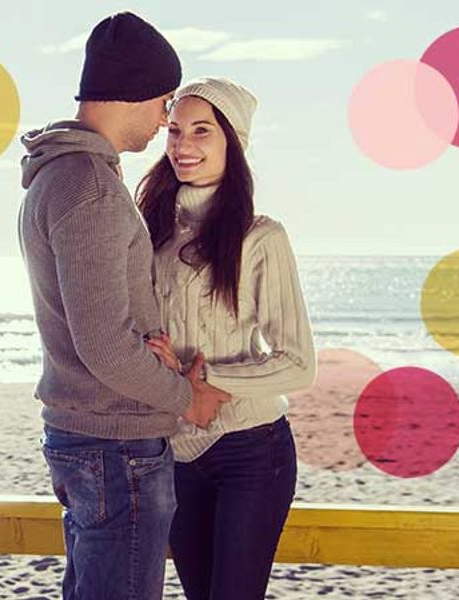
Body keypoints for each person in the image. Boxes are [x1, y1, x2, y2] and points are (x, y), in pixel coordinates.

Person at [18, 13, 232, 599]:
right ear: (136, 93)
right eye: (164, 102)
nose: (165, 120)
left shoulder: (61, 175)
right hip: (116, 449)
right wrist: (187, 398)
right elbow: (106, 346)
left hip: (89, 441)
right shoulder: (88, 186)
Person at [137, 76, 317, 600]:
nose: (182, 145)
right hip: (173, 453)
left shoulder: (261, 238)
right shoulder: (148, 231)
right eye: (174, 131)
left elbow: (298, 364)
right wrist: (164, 372)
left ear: (232, 141)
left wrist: (206, 378)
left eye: (201, 131)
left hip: (251, 451)